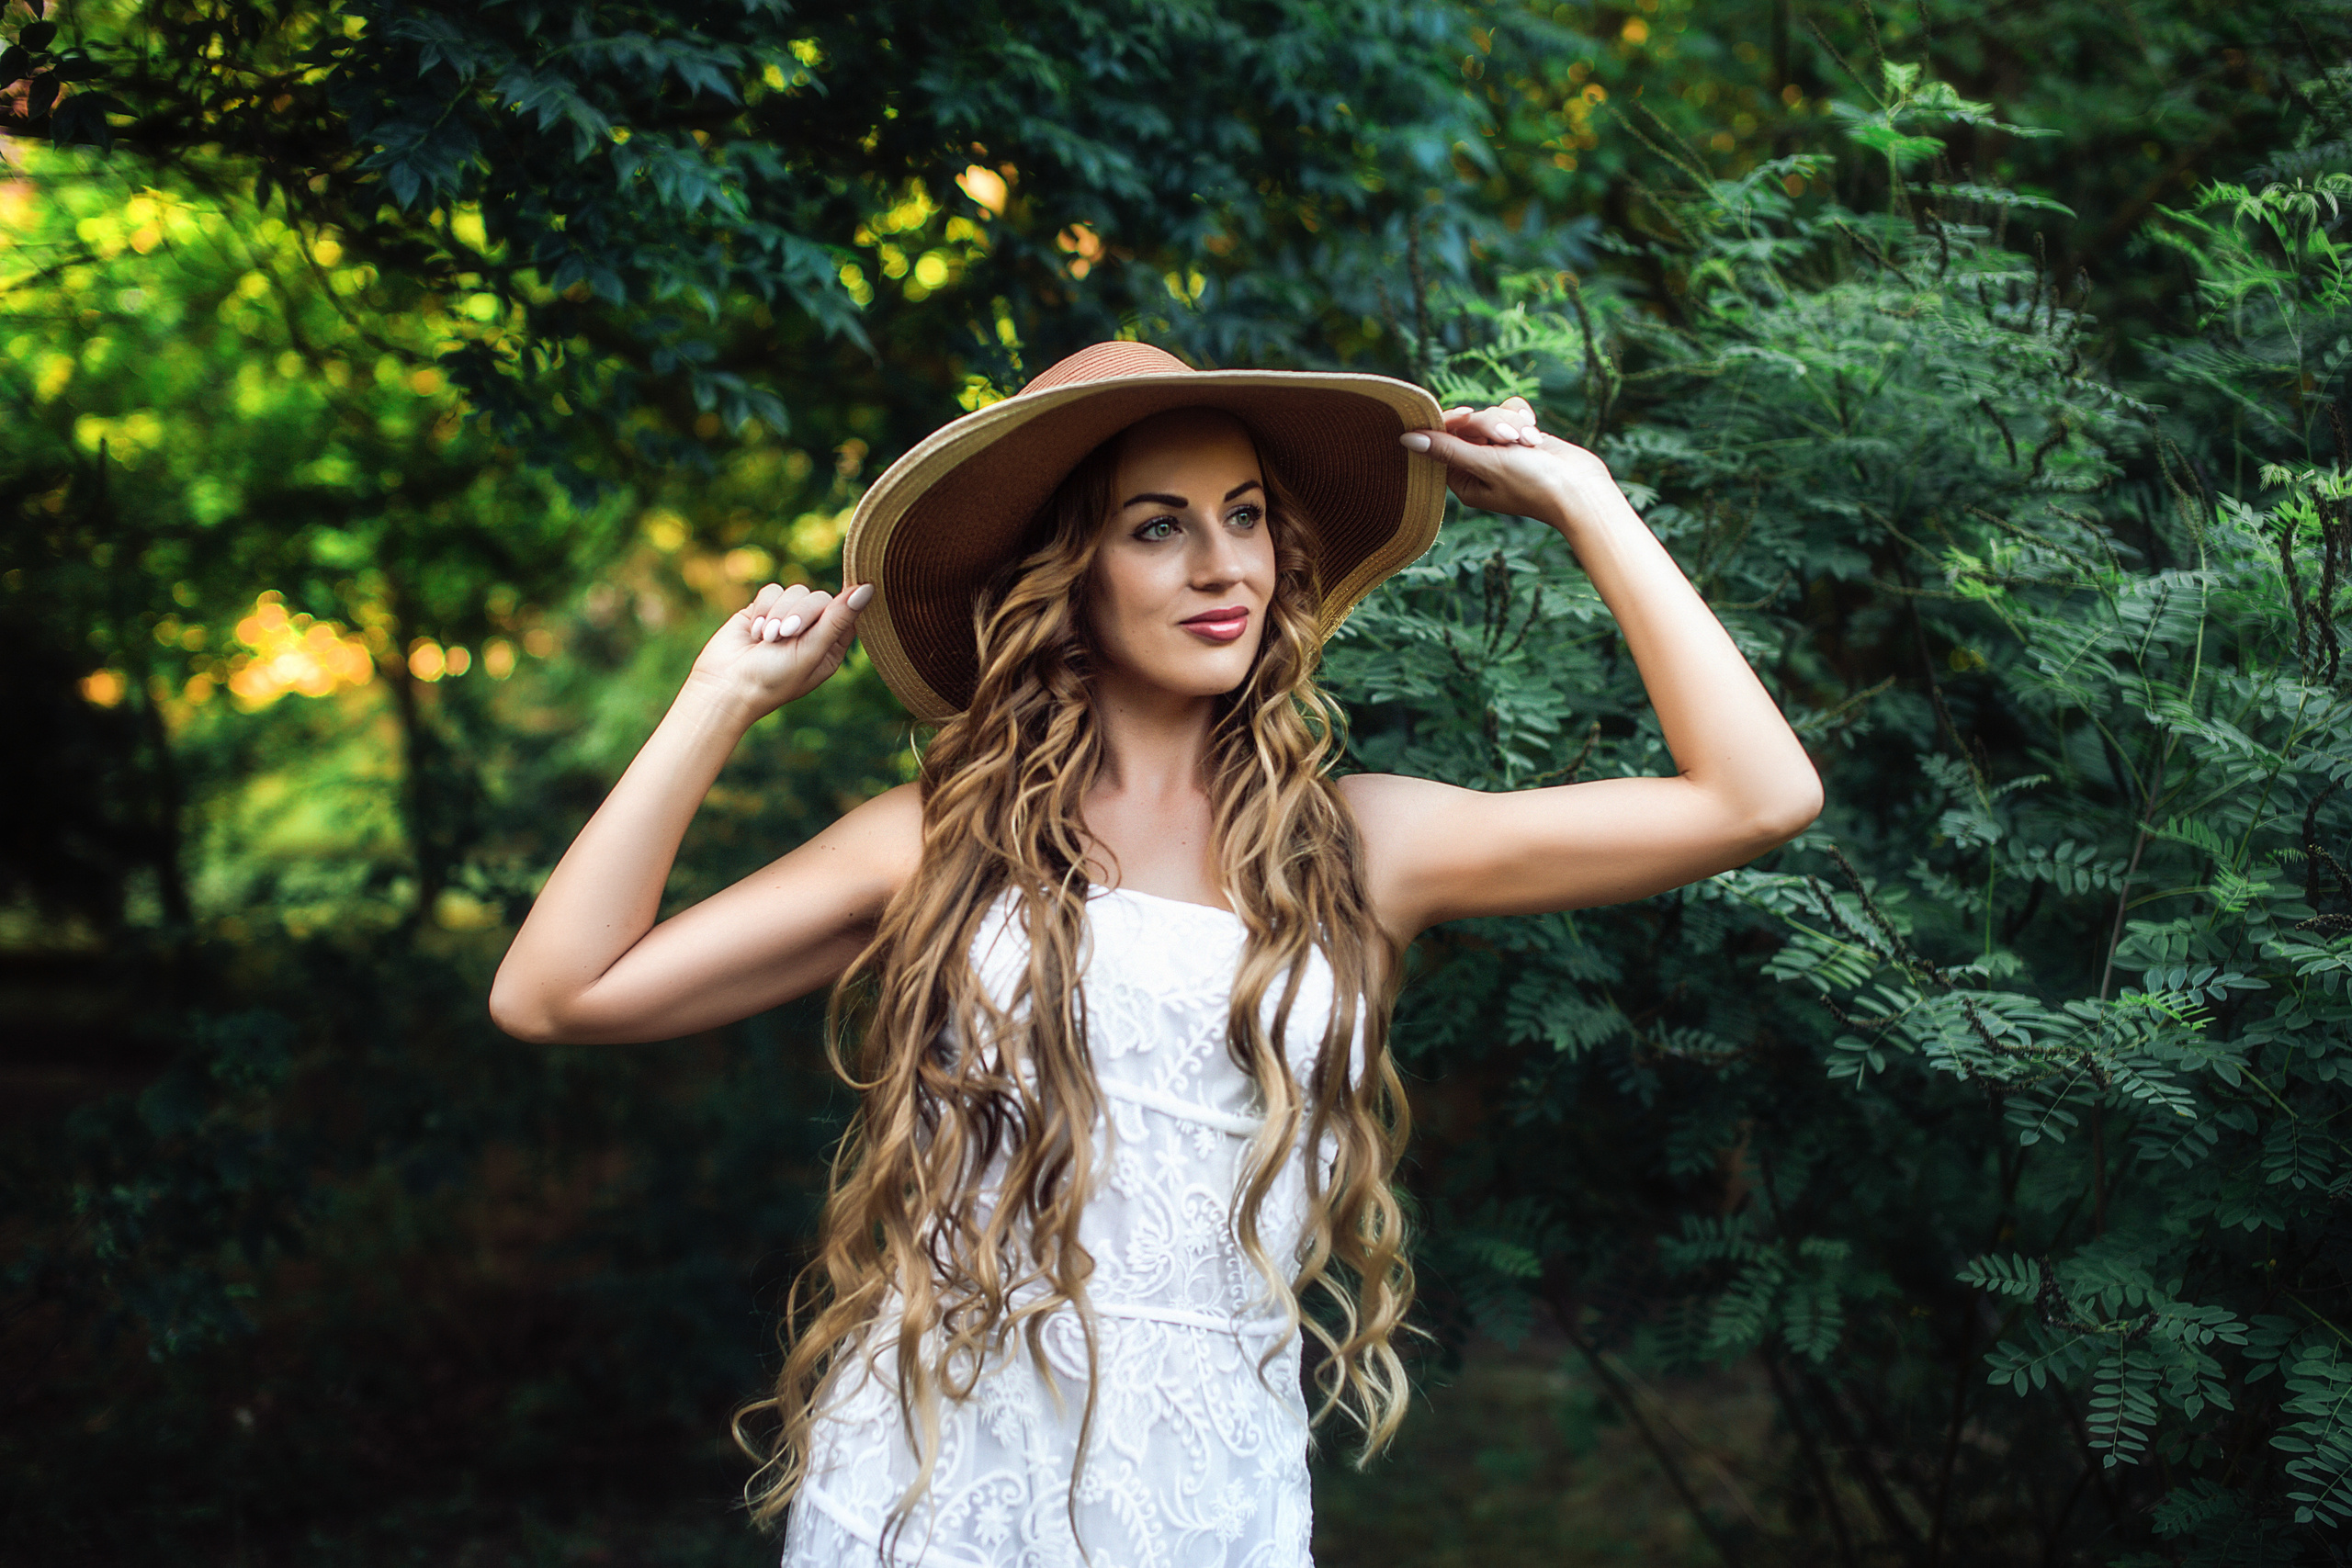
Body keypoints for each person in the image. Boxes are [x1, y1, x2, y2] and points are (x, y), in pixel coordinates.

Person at [488, 340, 1822, 1566]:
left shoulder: (1359, 847)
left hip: (1213, 1491)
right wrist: (719, 698)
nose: (1225, 566)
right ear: (1066, 572)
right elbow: (557, 994)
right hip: (941, 1484)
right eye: (1158, 527)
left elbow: (1756, 797)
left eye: (1246, 516)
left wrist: (1588, 501)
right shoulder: (940, 840)